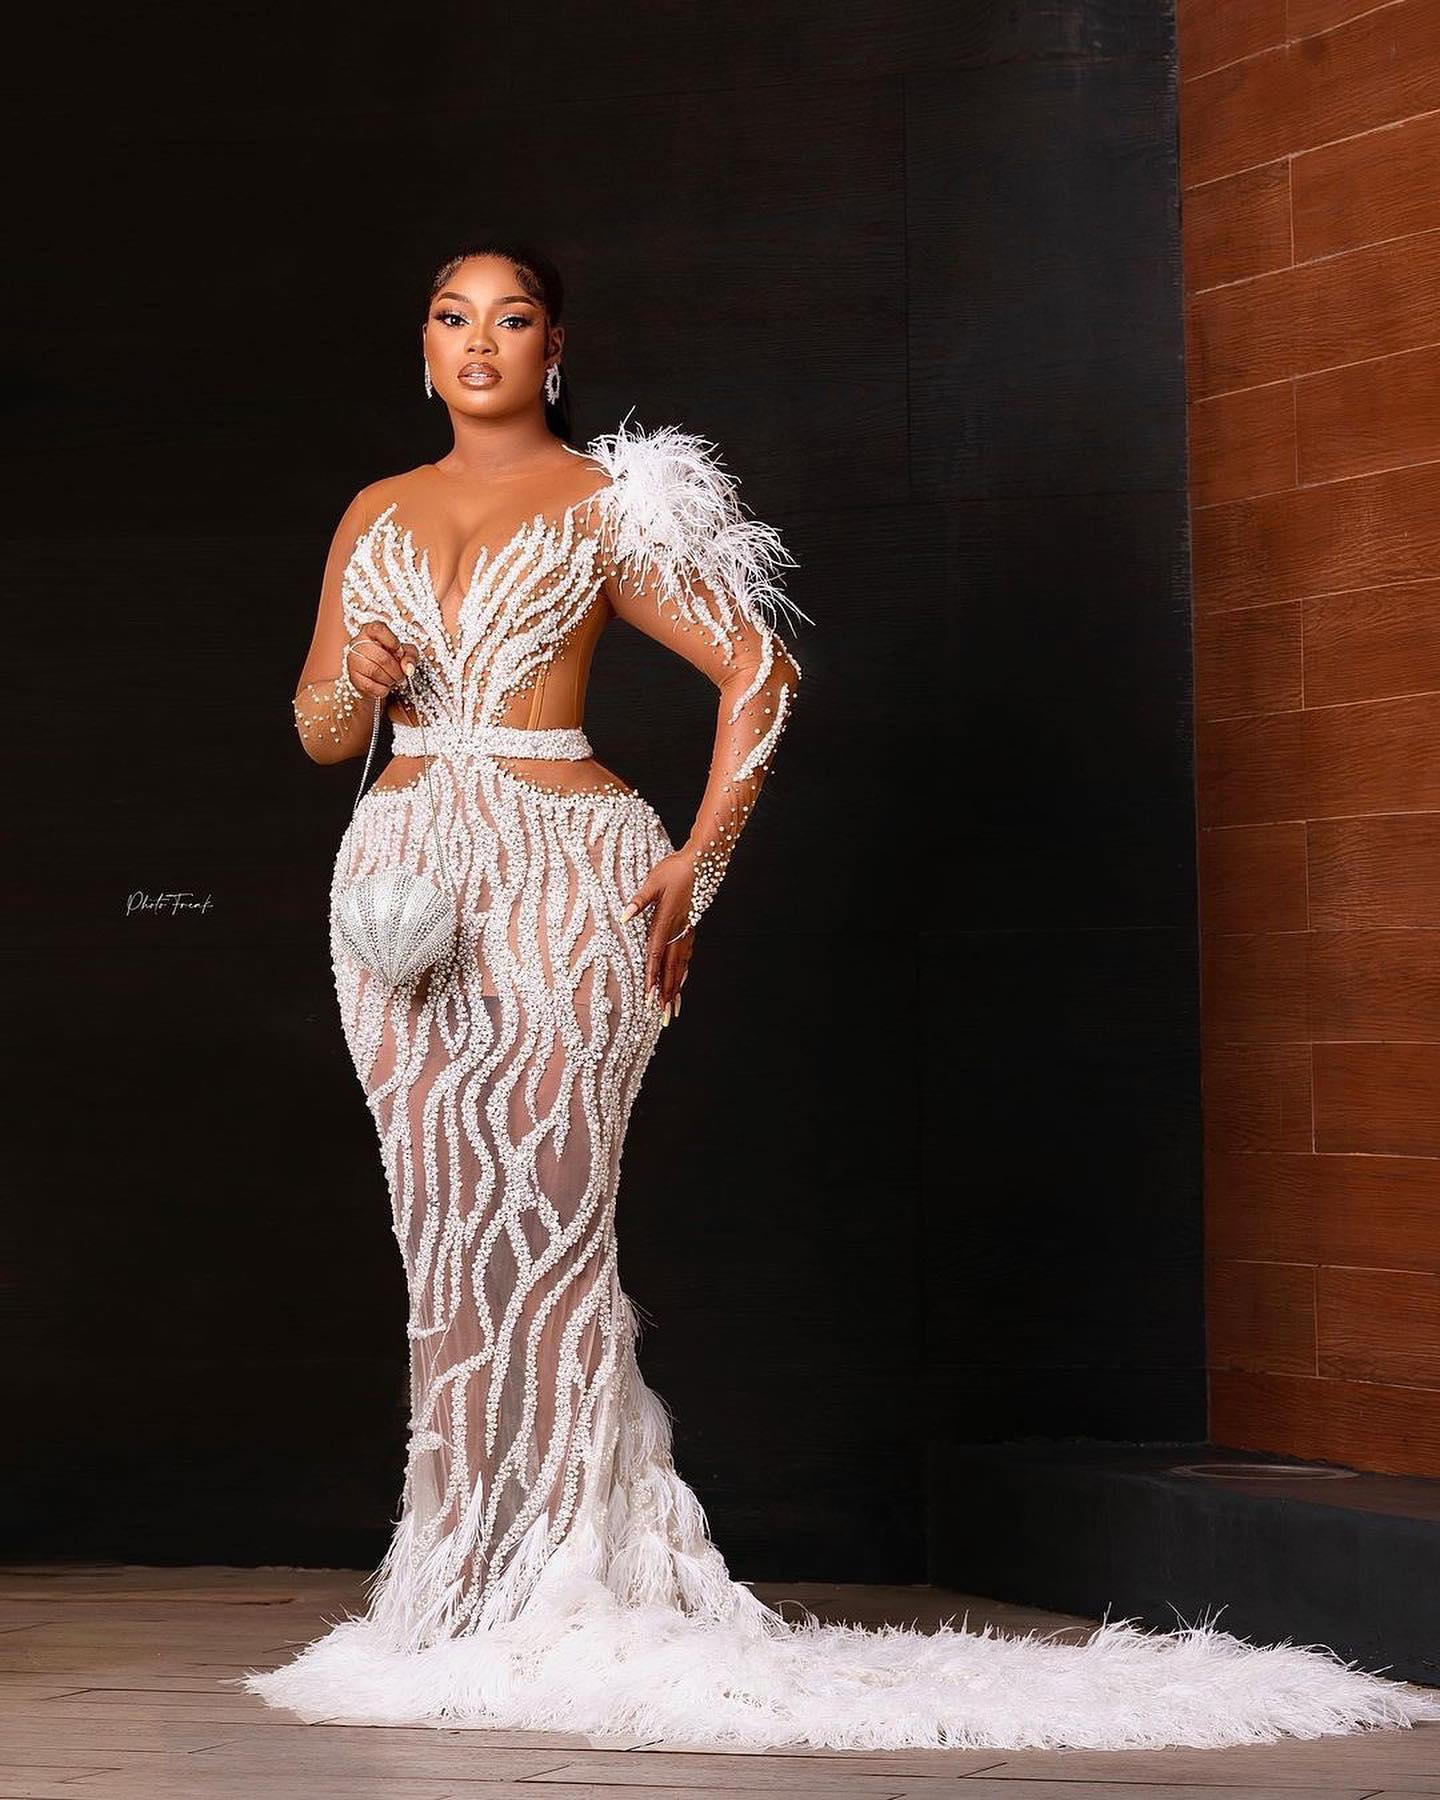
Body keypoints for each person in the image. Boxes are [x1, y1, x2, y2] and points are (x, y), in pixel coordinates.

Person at [236, 241, 1440, 1750]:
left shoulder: (607, 502)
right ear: (424, 350)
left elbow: (761, 672)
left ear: (557, 348)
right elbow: (315, 732)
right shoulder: (374, 511)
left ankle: (560, 1579)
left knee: (545, 1224)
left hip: (559, 879)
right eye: (451, 317)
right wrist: (355, 677)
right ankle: (454, 1582)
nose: (480, 342)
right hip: (398, 887)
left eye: (513, 317)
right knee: (439, 1233)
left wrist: (694, 868)